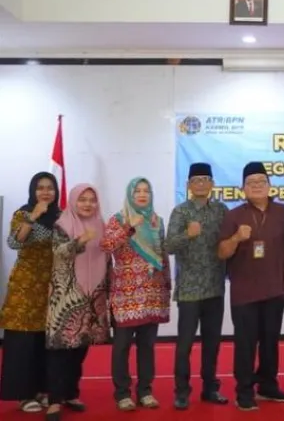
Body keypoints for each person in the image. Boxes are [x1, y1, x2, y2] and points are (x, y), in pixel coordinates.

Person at [218, 161, 284, 411]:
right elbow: (221, 252)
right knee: (246, 344)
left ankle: (267, 386)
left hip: (274, 288)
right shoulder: (233, 216)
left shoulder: (283, 212)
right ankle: (244, 391)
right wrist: (236, 238)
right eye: (250, 183)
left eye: (261, 181)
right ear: (243, 188)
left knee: (270, 341)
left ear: (269, 185)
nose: (256, 186)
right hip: (245, 292)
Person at [101, 177, 171, 411]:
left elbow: (162, 256)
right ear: (130, 194)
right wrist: (129, 228)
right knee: (121, 347)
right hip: (126, 295)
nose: (142, 195)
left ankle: (145, 391)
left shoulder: (157, 221)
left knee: (147, 346)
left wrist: (167, 286)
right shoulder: (118, 219)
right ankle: (122, 393)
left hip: (152, 294)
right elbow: (106, 246)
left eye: (146, 191)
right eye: (137, 191)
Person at [166, 162, 229, 409]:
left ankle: (210, 388)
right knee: (184, 345)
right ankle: (182, 391)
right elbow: (169, 246)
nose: (201, 183)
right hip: (190, 290)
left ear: (212, 183)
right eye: (196, 180)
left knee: (212, 344)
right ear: (189, 185)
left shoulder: (221, 210)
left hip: (215, 287)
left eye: (205, 179)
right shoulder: (181, 212)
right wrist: (187, 235)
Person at [45, 184, 111, 420]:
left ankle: (71, 393)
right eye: (82, 199)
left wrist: (108, 291)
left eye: (92, 200)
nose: (87, 204)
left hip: (93, 296)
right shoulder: (61, 224)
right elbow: (58, 253)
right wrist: (78, 241)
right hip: (67, 296)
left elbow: (108, 259)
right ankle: (54, 400)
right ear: (73, 201)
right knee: (60, 350)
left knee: (80, 350)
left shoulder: (101, 225)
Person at [0, 172, 60, 413]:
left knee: (44, 342)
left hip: (50, 286)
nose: (45, 192)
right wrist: (33, 217)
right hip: (25, 287)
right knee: (22, 341)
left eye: (50, 188)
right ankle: (23, 395)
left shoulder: (61, 216)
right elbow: (15, 242)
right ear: (33, 191)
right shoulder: (23, 214)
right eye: (40, 187)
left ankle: (41, 389)